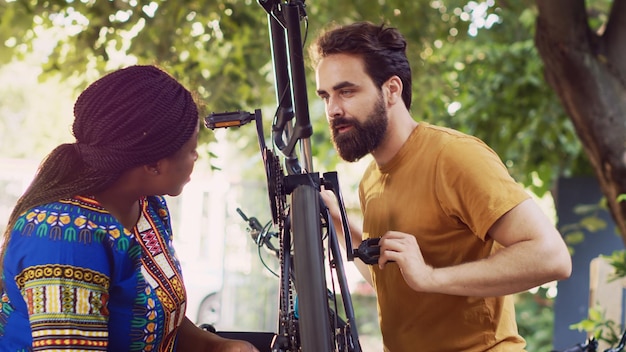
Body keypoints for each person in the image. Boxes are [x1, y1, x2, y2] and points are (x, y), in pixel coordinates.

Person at [310, 22, 572, 351]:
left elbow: (551, 257)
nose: (333, 109)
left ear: (392, 90)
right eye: (326, 96)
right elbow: (391, 282)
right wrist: (340, 225)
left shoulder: (453, 157)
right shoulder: (370, 180)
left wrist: (431, 277)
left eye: (346, 91)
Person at [0, 65, 259, 352]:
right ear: (153, 164)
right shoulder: (64, 240)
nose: (196, 157)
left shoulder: (149, 207)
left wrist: (219, 346)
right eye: (191, 149)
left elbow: (160, 314)